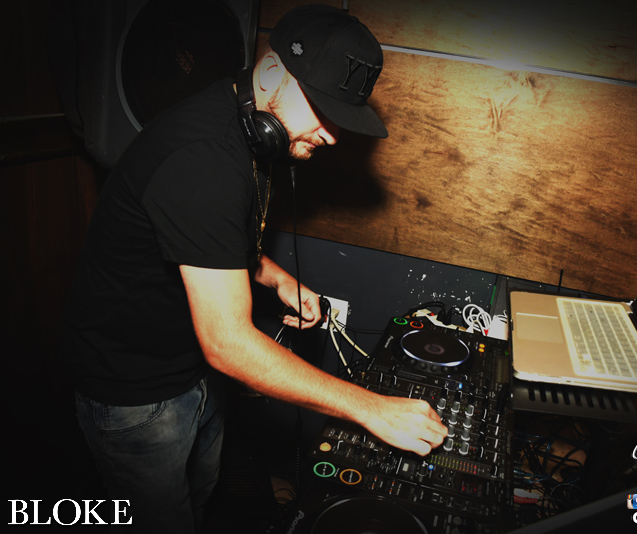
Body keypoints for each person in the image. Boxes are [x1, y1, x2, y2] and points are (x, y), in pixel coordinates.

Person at [60, 5, 447, 532]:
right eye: (323, 109)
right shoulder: (202, 159)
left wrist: (276, 276)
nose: (333, 135)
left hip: (191, 370)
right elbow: (228, 343)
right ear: (269, 76)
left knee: (200, 500)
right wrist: (370, 408)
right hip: (133, 392)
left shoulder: (246, 126)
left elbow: (215, 241)